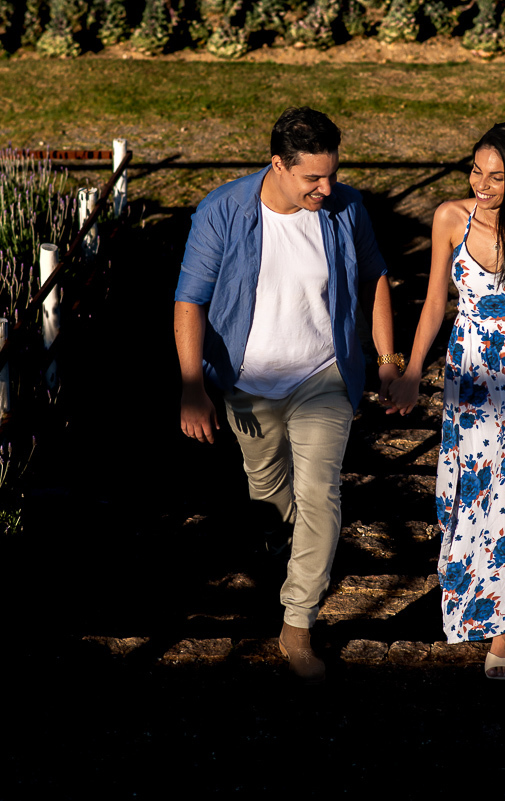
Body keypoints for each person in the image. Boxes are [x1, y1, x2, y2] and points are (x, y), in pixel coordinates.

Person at [174, 107, 403, 682]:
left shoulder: (346, 209)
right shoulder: (222, 211)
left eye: (332, 174)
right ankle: (292, 558)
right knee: (270, 499)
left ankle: (297, 623)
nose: (326, 188)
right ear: (277, 164)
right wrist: (192, 386)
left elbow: (374, 275)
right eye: (312, 178)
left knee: (320, 494)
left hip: (322, 376)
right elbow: (189, 301)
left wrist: (387, 360)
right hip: (248, 385)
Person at [389, 123, 505, 679]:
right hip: (471, 372)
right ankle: (496, 602)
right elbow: (434, 303)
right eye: (476, 171)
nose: (483, 185)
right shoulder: (451, 218)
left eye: (497, 176)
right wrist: (412, 371)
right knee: (474, 492)